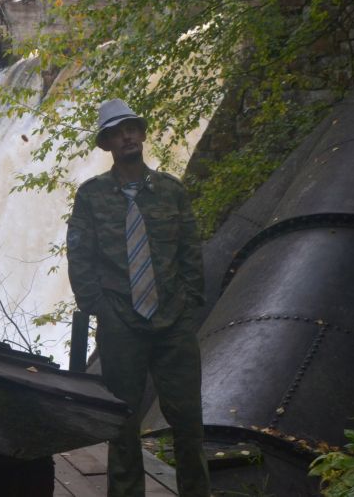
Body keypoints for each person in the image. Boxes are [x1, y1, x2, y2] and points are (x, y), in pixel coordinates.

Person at [66, 98, 210, 497]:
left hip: (173, 321)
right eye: (117, 132)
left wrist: (189, 302)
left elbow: (190, 250)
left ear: (142, 134)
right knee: (123, 422)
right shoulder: (92, 195)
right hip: (120, 323)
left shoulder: (171, 191)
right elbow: (80, 254)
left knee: (188, 420)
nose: (127, 136)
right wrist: (98, 306)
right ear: (107, 143)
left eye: (131, 128)